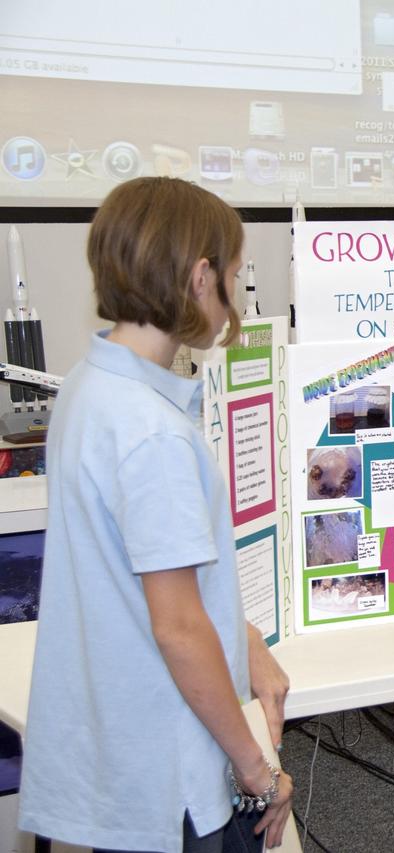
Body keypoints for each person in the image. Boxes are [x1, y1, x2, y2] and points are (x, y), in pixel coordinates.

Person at [18, 177, 294, 853]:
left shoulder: (90, 386)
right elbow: (175, 625)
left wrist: (245, 639)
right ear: (201, 279)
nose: (233, 305)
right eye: (232, 277)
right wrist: (256, 769)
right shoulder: (154, 433)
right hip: (177, 774)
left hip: (123, 752)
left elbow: (145, 575)